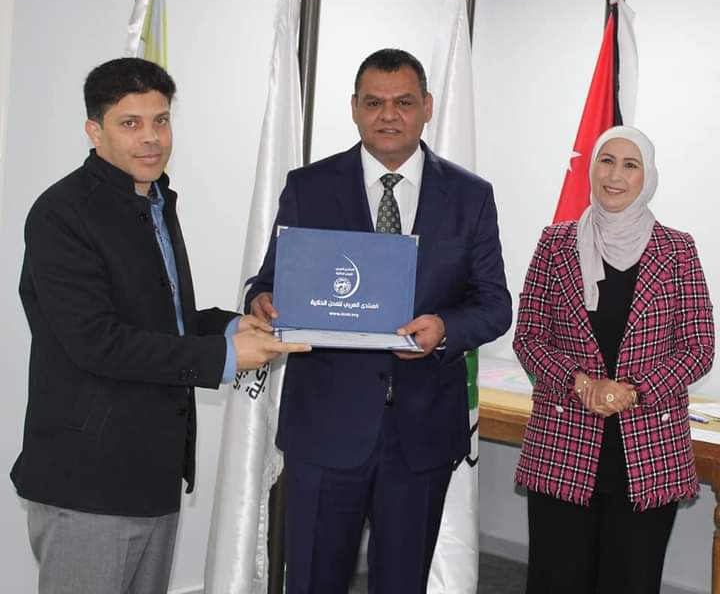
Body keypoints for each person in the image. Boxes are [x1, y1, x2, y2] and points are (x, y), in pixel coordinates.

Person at [10, 57, 309, 594]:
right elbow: (97, 342)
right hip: (89, 482)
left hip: (153, 475)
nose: (151, 137)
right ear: (94, 131)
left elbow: (160, 320)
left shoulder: (154, 201)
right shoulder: (62, 214)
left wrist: (233, 325)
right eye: (130, 123)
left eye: (161, 120)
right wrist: (224, 358)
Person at [247, 48, 512, 593]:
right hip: (325, 430)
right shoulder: (309, 186)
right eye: (374, 103)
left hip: (421, 434)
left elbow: (494, 304)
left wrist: (444, 329)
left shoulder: (470, 196)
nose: (388, 115)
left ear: (427, 107)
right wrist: (263, 299)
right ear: (354, 108)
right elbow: (268, 280)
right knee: (313, 581)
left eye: (404, 102)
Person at [514, 126, 715, 594]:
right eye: (606, 161)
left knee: (631, 582)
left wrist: (634, 391)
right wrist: (581, 383)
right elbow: (529, 337)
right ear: (591, 168)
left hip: (647, 449)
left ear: (648, 176)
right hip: (563, 445)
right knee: (555, 581)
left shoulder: (677, 250)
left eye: (630, 164)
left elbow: (699, 347)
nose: (615, 175)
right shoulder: (555, 243)